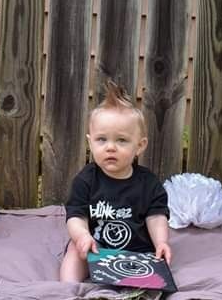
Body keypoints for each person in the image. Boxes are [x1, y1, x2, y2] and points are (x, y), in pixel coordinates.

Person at [59, 81, 172, 283]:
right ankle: (69, 290)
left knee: (154, 268)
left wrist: (161, 242)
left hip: (136, 252)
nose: (110, 147)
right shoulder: (86, 180)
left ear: (140, 145)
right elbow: (76, 216)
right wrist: (82, 236)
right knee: (75, 251)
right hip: (95, 249)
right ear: (90, 142)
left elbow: (156, 217)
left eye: (121, 140)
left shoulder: (148, 183)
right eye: (102, 139)